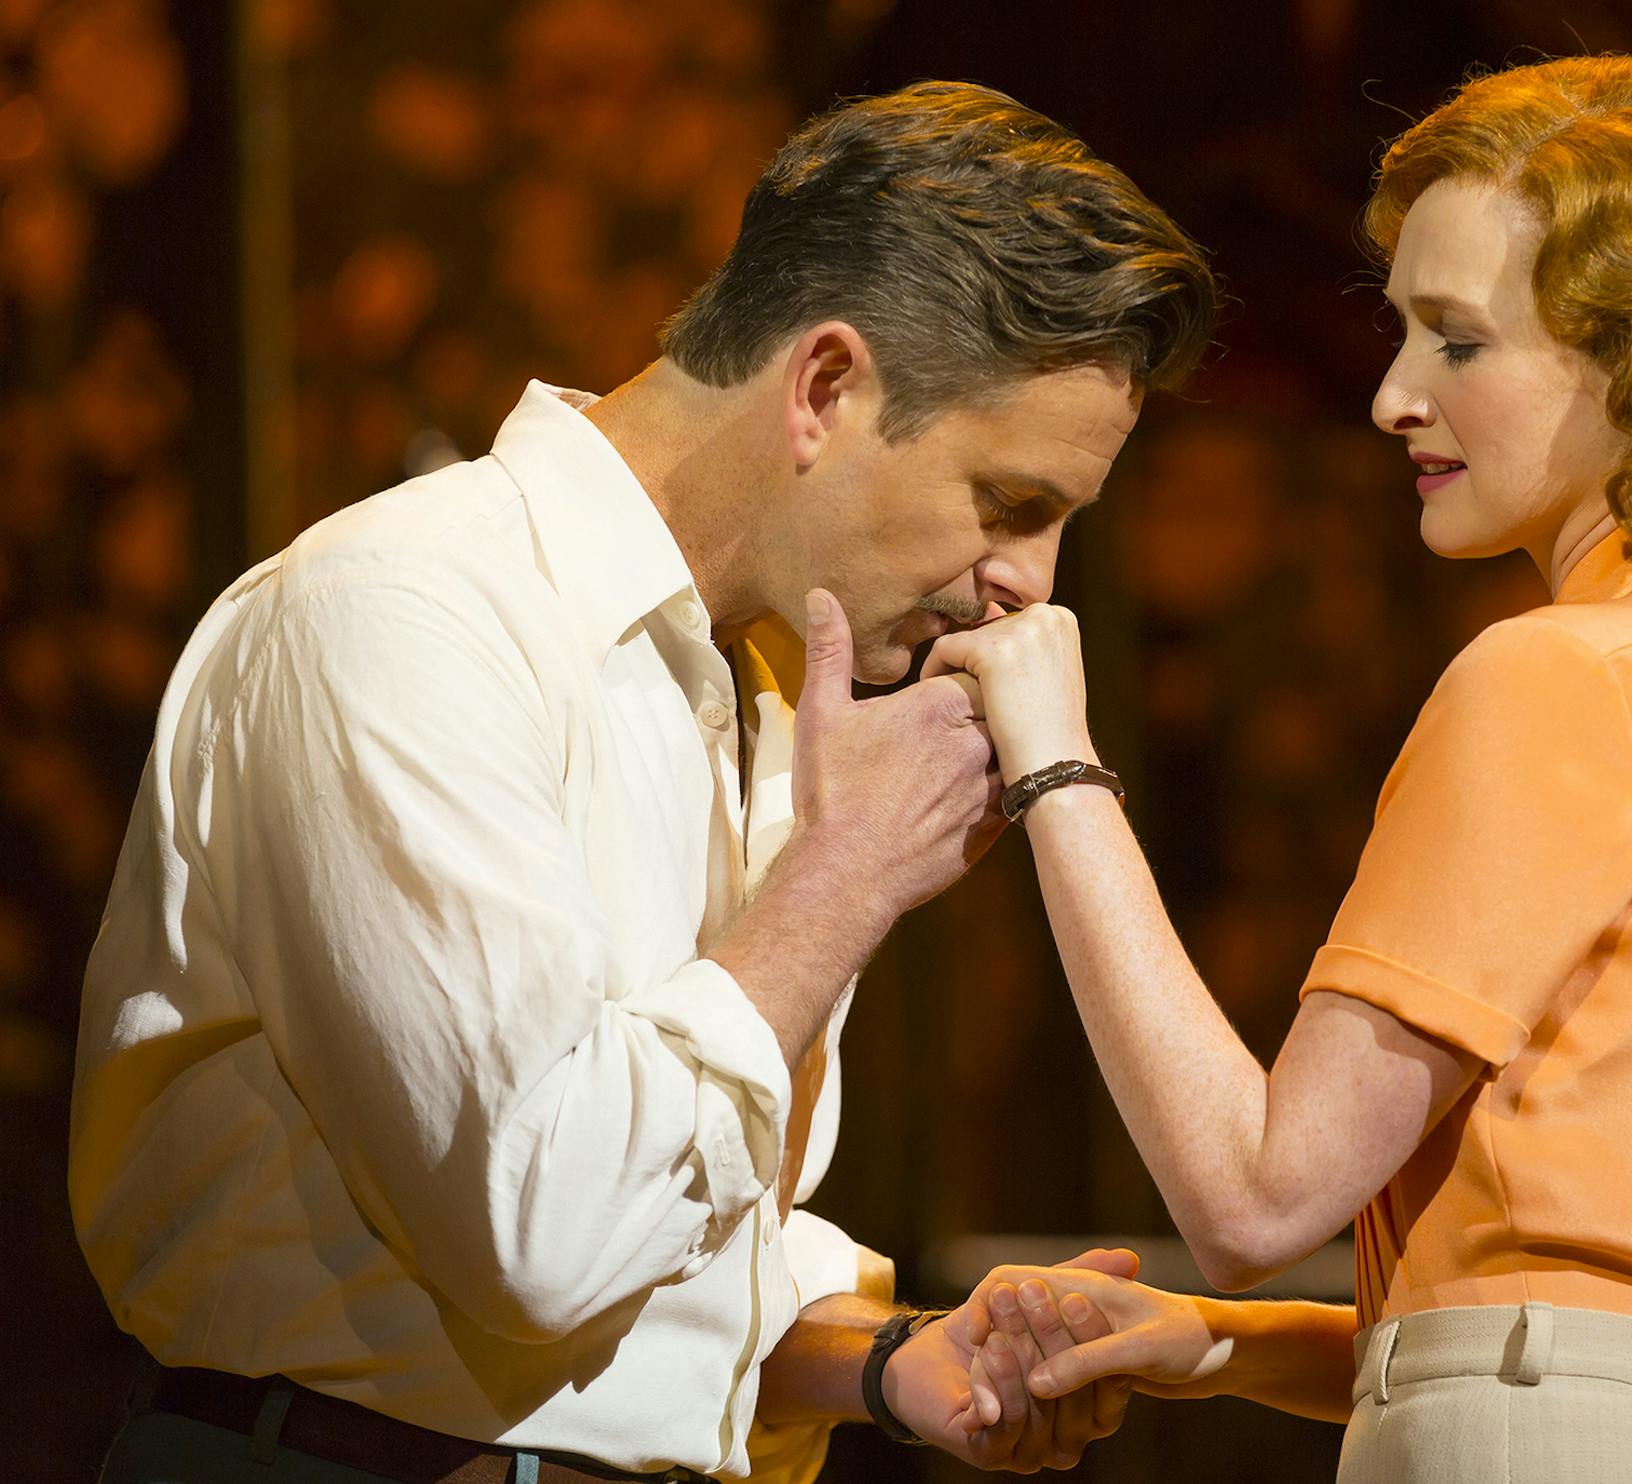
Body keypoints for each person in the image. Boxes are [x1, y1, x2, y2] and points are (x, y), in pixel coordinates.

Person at [71, 82, 1218, 1483]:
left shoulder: (743, 684)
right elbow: (533, 1235)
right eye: (1010, 504)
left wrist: (872, 1355)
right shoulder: (407, 611)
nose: (1030, 588)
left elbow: (642, 1251)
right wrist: (839, 884)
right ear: (827, 387)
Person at [932, 54, 1632, 1481]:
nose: (1394, 397)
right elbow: (1573, 1314)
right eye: (1401, 333)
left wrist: (1054, 765)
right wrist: (1213, 1341)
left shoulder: (1563, 675)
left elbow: (1251, 1191)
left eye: (1458, 341)